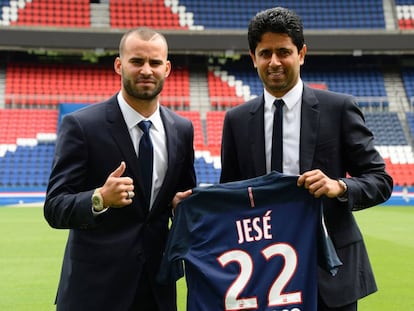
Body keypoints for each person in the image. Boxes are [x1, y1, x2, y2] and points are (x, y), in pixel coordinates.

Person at [219, 7, 393, 311]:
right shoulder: (236, 120)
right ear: (253, 58)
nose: (274, 62)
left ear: (301, 54)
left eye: (283, 52)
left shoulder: (338, 109)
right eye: (265, 53)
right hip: (263, 273)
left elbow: (380, 180)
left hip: (330, 272)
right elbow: (230, 195)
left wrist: (339, 186)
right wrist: (195, 200)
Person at [44, 27, 196, 311]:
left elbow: (182, 201)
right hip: (95, 291)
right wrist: (99, 198)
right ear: (119, 65)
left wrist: (181, 208)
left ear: (167, 68)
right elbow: (54, 206)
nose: (146, 70)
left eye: (154, 63)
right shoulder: (82, 126)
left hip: (157, 291)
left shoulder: (182, 130)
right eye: (137, 61)